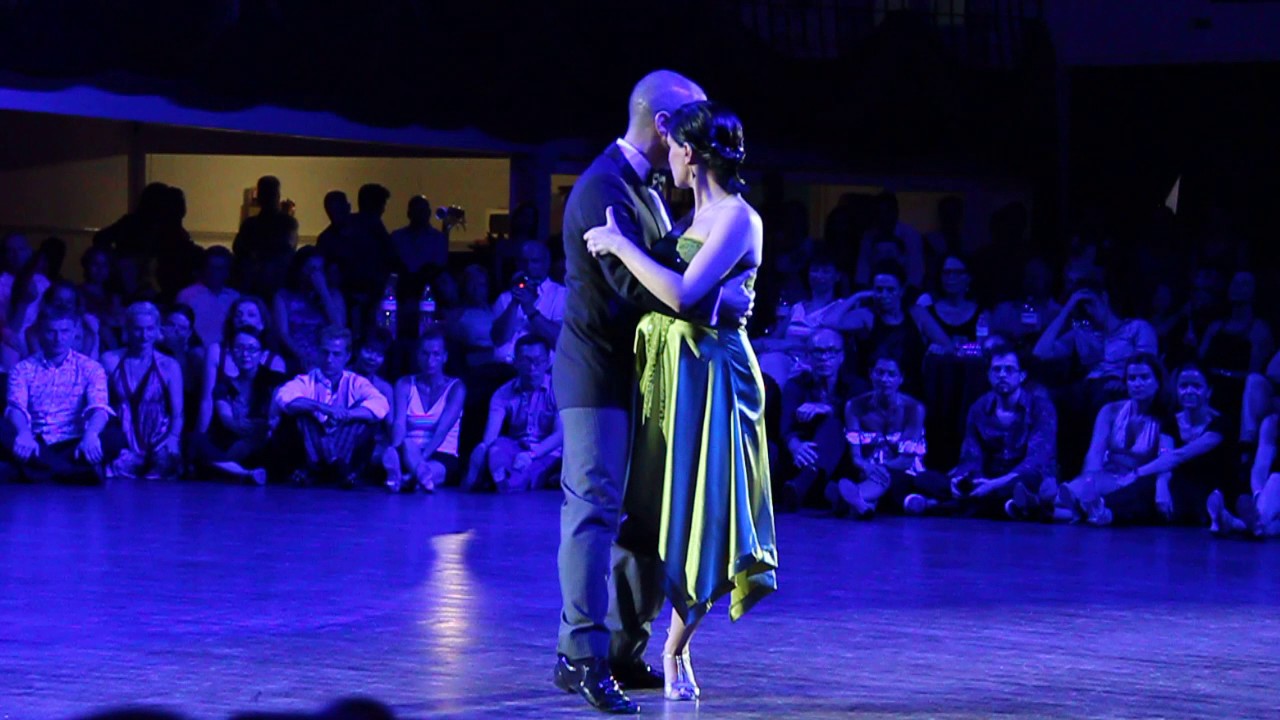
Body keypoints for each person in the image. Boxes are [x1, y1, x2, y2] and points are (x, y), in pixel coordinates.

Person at [552, 72, 753, 714]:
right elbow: (638, 288)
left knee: (640, 518)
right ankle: (579, 655)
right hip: (598, 374)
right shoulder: (603, 186)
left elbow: (669, 264)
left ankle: (620, 648)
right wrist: (717, 303)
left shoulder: (652, 188)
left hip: (644, 377)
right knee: (594, 511)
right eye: (688, 121)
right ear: (666, 126)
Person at [1096, 364, 1228, 526]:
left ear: (1209, 391)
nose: (1189, 391)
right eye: (1184, 386)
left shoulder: (1220, 423)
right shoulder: (1171, 420)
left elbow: (1179, 456)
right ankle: (1101, 510)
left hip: (1208, 485)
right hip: (1177, 480)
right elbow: (1165, 456)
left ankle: (1105, 511)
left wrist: (1137, 472)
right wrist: (1162, 485)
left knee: (1159, 494)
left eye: (1196, 386)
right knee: (1149, 489)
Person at [0, 305, 114, 484]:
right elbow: (16, 407)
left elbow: (99, 407)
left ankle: (33, 471)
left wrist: (91, 434)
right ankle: (72, 473)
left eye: (65, 331)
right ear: (40, 331)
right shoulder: (22, 369)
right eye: (51, 332)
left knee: (116, 437)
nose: (58, 339)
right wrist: (23, 433)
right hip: (35, 441)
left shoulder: (91, 368)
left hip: (74, 441)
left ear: (75, 330)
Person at [1055, 353, 1171, 525]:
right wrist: (1089, 480)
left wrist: (1162, 486)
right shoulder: (1110, 411)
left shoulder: (1165, 419)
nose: (1137, 384)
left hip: (1137, 480)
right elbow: (1095, 452)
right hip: (1108, 474)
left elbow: (1166, 458)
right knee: (1062, 498)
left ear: (1158, 383)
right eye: (1132, 378)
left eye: (1144, 378)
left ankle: (1079, 509)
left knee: (1063, 506)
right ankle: (1074, 507)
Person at [948, 345, 1058, 519]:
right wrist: (969, 479)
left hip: (1023, 477)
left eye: (1009, 369)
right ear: (989, 375)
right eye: (996, 369)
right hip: (990, 477)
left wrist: (994, 485)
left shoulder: (1040, 407)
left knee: (1030, 483)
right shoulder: (979, 408)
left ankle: (993, 504)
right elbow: (971, 455)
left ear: (1022, 376)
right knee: (935, 480)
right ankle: (1010, 507)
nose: (1002, 375)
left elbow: (1036, 461)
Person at [834, 355, 950, 517]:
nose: (884, 379)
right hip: (867, 469)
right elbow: (856, 457)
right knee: (844, 482)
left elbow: (906, 460)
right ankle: (864, 506)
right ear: (871, 374)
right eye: (879, 373)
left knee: (882, 477)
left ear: (901, 378)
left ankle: (857, 499)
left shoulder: (914, 409)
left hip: (903, 470)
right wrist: (867, 467)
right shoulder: (854, 406)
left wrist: (881, 467)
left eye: (891, 374)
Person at [273, 326, 389, 487]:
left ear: (347, 356)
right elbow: (283, 397)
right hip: (311, 449)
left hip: (345, 446)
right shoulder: (306, 380)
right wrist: (323, 408)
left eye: (336, 354)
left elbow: (381, 405)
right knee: (302, 413)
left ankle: (328, 467)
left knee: (365, 417)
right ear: (318, 353)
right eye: (325, 352)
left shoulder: (356, 382)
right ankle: (332, 466)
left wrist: (347, 414)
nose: (329, 359)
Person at [462, 334, 561, 492]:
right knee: (496, 447)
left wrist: (532, 454)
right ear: (515, 362)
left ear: (548, 362)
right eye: (526, 361)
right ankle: (492, 473)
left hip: (546, 452)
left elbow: (559, 436)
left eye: (538, 361)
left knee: (527, 472)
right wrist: (485, 447)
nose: (532, 368)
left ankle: (500, 481)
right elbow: (491, 435)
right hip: (516, 447)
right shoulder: (502, 394)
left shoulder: (559, 390)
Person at [777, 328, 861, 510]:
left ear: (842, 356)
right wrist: (796, 446)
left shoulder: (855, 386)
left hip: (841, 463)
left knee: (834, 425)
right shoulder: (796, 385)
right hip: (800, 457)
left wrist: (829, 408)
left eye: (832, 351)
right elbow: (785, 425)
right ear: (808, 356)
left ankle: (799, 487)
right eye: (818, 352)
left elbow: (859, 419)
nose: (825, 358)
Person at [100, 302, 184, 480]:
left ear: (157, 330)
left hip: (158, 437)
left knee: (162, 465)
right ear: (128, 330)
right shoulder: (110, 360)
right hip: (122, 436)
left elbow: (178, 413)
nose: (144, 336)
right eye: (138, 329)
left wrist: (173, 438)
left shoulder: (169, 366)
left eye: (150, 329)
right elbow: (99, 404)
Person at [189, 326, 282, 484]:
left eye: (252, 349)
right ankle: (245, 474)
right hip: (238, 440)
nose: (245, 354)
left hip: (266, 441)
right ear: (231, 352)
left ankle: (233, 472)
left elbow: (277, 412)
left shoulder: (274, 380)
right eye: (239, 348)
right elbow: (226, 417)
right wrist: (239, 426)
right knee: (198, 443)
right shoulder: (224, 385)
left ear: (262, 353)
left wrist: (265, 426)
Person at [197, 297, 287, 433]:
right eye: (238, 315)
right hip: (222, 428)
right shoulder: (216, 351)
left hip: (260, 431)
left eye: (251, 315)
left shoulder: (274, 361)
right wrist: (200, 436)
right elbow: (207, 401)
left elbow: (277, 409)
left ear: (262, 323)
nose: (243, 319)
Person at [390, 329, 464, 493]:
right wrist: (396, 450)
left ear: (444, 357)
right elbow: (399, 424)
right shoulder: (405, 384)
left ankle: (413, 477)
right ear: (418, 356)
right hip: (410, 450)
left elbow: (442, 431)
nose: (430, 360)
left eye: (436, 355)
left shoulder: (456, 388)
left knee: (430, 471)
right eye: (425, 354)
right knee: (407, 444)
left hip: (441, 453)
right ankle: (416, 478)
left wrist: (419, 463)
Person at [491, 240, 567, 365]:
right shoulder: (505, 298)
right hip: (503, 369)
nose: (528, 267)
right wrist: (515, 302)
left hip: (543, 373)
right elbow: (498, 339)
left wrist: (529, 309)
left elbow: (559, 340)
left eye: (534, 261)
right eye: (523, 261)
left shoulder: (562, 295)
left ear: (546, 263)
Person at [273, 247, 346, 373]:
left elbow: (339, 327)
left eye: (319, 270)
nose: (315, 275)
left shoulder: (334, 295)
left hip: (326, 356)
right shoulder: (283, 295)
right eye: (311, 269)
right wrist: (301, 355)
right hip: (294, 355)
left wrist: (323, 292)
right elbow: (283, 333)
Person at [231, 175, 298, 298]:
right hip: (254, 284)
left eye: (271, 193)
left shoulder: (287, 223)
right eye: (266, 193)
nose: (269, 198)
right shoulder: (250, 224)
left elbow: (287, 249)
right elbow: (238, 249)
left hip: (277, 283)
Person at [176, 246, 240, 348]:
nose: (215, 273)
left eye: (220, 268)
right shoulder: (187, 295)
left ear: (227, 272)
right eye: (211, 267)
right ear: (204, 269)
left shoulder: (235, 297)